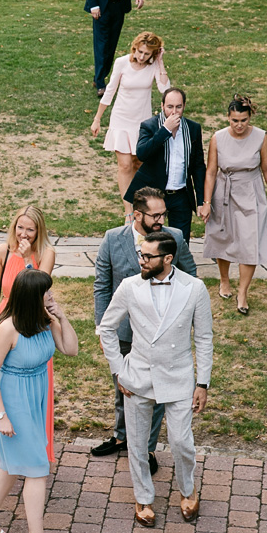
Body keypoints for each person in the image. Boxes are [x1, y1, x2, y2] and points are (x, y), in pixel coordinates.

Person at [98, 230, 212, 527]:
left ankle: (188, 489)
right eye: (141, 254)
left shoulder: (194, 288)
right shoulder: (129, 286)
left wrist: (203, 383)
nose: (141, 261)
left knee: (181, 441)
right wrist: (118, 370)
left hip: (178, 377)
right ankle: (143, 497)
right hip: (137, 376)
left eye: (148, 257)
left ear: (168, 258)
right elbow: (106, 328)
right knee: (137, 444)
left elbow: (203, 338)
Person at [91, 186, 197, 471]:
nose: (162, 220)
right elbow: (102, 285)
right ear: (137, 215)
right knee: (122, 386)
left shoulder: (174, 238)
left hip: (162, 333)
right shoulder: (113, 238)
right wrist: (102, 328)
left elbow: (190, 275)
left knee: (157, 391)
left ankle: (147, 448)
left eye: (164, 213)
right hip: (125, 331)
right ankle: (121, 436)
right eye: (155, 215)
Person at [0, 269, 79, 533]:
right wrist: (1, 416)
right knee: (36, 468)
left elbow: (71, 350)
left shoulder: (45, 321)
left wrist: (61, 317)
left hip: (36, 398)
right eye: (46, 292)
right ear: (32, 297)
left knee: (12, 463)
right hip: (12, 400)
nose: (51, 295)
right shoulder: (8, 329)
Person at [0, 205, 55, 459]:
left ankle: (32, 442)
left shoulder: (46, 253)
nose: (24, 234)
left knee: (33, 379)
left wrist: (28, 258)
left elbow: (39, 288)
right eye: (20, 227)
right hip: (5, 321)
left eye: (30, 229)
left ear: (39, 231)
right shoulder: (1, 251)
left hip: (33, 322)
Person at [203, 95, 267, 316]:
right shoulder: (217, 138)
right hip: (223, 191)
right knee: (223, 237)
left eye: (243, 120)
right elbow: (211, 172)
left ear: (250, 118)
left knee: (249, 242)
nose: (239, 125)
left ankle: (243, 292)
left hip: (250, 191)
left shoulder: (260, 137)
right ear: (228, 118)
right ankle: (224, 280)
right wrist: (207, 202)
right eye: (234, 120)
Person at [91, 31, 170, 220]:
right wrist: (97, 118)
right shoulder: (122, 63)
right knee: (125, 165)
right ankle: (128, 212)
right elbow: (110, 90)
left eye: (147, 54)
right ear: (134, 48)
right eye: (139, 52)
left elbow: (165, 89)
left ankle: (140, 206)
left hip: (142, 122)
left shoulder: (153, 65)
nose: (142, 56)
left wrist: (160, 62)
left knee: (138, 164)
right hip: (121, 119)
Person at [126, 88, 206, 242]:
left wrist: (201, 200)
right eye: (170, 107)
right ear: (162, 106)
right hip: (153, 194)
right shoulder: (149, 126)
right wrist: (165, 130)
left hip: (181, 194)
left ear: (184, 106)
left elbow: (198, 166)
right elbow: (142, 153)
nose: (174, 112)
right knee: (149, 241)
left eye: (178, 107)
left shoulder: (193, 128)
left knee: (180, 242)